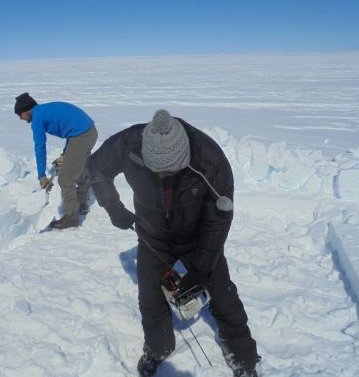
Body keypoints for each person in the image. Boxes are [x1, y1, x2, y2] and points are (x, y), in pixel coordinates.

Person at [88, 109, 259, 377]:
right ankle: (158, 349)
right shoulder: (130, 142)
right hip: (152, 235)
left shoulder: (209, 159)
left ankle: (244, 357)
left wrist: (200, 270)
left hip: (198, 237)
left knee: (224, 296)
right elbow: (96, 168)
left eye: (171, 170)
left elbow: (217, 221)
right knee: (150, 300)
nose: (163, 176)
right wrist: (113, 206)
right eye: (157, 170)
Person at [14, 93, 98, 229]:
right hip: (87, 131)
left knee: (65, 179)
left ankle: (72, 216)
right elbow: (70, 127)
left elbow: (40, 147)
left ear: (26, 110)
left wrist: (41, 175)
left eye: (20, 115)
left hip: (82, 135)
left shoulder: (38, 119)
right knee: (77, 168)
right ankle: (82, 203)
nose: (20, 118)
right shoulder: (43, 111)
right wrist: (66, 153)